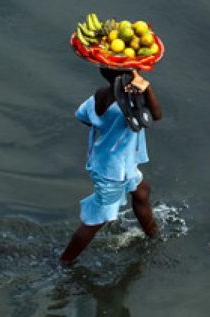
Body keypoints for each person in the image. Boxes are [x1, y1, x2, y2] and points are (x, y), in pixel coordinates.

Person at [60, 67, 162, 265]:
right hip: (114, 171)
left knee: (142, 192)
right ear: (126, 77)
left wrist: (107, 127)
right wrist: (147, 89)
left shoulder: (101, 94)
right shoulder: (129, 103)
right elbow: (156, 115)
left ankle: (153, 236)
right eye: (133, 70)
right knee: (96, 220)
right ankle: (64, 261)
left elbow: (82, 115)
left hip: (113, 161)